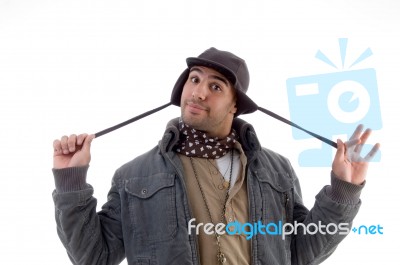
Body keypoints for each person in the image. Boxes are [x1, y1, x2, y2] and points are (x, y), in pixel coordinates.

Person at [52, 47, 379, 265]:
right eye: (194, 80)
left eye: (216, 86)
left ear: (235, 105)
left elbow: (301, 252)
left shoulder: (276, 171)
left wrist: (343, 190)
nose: (198, 91)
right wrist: (71, 182)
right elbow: (94, 256)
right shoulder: (134, 176)